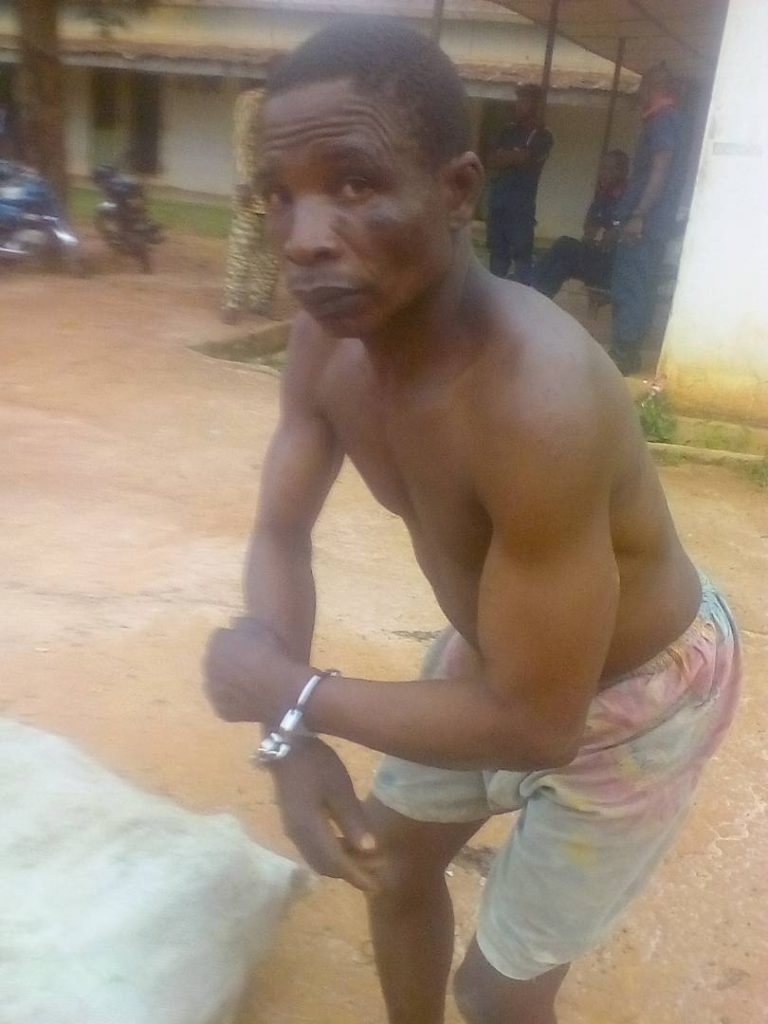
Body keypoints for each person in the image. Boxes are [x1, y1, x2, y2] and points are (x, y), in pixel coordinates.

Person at [204, 20, 740, 1024]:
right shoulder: (325, 342)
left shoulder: (537, 398)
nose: (306, 235)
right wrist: (290, 732)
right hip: (500, 650)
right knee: (391, 864)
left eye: (354, 183)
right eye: (282, 195)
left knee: (498, 994)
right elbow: (282, 534)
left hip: (636, 699)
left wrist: (289, 689)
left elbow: (540, 722)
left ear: (456, 191)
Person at [610, 64, 688, 374]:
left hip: (645, 222)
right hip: (657, 223)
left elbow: (660, 168)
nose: (640, 94)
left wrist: (639, 214)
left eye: (643, 87)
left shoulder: (662, 121)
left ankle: (623, 353)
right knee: (643, 287)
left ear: (653, 88)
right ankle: (629, 352)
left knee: (631, 287)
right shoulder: (676, 120)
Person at [531, 149, 629, 299]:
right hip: (594, 257)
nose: (603, 173)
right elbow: (589, 228)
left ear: (621, 172)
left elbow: (615, 234)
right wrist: (594, 234)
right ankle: (537, 299)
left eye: (609, 169)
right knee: (561, 265)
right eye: (602, 168)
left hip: (612, 268)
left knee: (565, 244)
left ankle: (528, 286)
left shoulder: (628, 200)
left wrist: (608, 233)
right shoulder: (603, 196)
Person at [221, 87, 279, 325]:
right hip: (253, 189)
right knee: (242, 245)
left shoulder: (289, 100)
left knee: (272, 251)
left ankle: (261, 301)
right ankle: (232, 302)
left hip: (277, 192)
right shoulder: (252, 101)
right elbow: (241, 142)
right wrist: (244, 180)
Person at [485, 84, 553, 284]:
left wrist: (508, 156)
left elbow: (526, 158)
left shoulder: (543, 136)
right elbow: (491, 160)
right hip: (499, 201)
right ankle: (495, 295)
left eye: (524, 100)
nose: (518, 104)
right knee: (497, 254)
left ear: (536, 104)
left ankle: (521, 297)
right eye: (518, 99)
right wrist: (514, 155)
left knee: (522, 256)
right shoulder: (507, 131)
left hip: (521, 206)